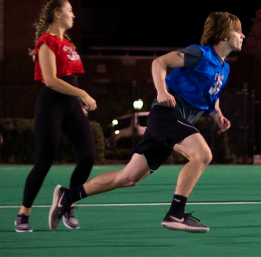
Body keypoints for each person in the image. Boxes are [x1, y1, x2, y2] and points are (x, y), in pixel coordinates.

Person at [48, 12, 242, 233]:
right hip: (166, 114)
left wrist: (218, 115)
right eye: (238, 31)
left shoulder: (224, 68)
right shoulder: (199, 54)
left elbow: (210, 96)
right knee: (203, 154)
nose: (243, 35)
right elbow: (159, 62)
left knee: (129, 177)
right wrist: (161, 91)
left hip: (175, 121)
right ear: (224, 35)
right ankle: (175, 214)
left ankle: (67, 195)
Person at [15, 0, 97, 233]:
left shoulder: (68, 44)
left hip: (71, 106)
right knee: (44, 161)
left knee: (88, 156)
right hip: (51, 104)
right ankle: (23, 214)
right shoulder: (46, 42)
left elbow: (71, 77)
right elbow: (50, 80)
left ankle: (67, 202)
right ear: (57, 14)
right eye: (69, 10)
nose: (73, 14)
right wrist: (82, 93)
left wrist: (78, 101)